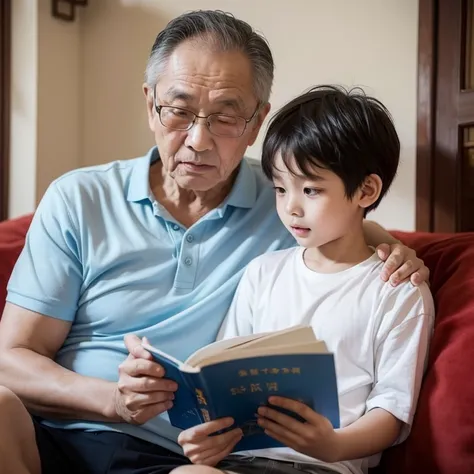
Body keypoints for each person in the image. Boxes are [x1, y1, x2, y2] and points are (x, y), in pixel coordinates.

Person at [0, 10, 429, 474]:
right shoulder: (79, 198)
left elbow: (343, 223)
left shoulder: (282, 200)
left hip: (173, 458)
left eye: (226, 117)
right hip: (53, 434)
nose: (198, 140)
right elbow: (11, 360)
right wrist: (112, 401)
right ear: (150, 105)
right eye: (179, 112)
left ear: (256, 122)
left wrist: (392, 247)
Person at [172, 86, 435, 474]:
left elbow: (392, 409)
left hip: (326, 467)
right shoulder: (263, 273)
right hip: (241, 461)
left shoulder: (395, 290)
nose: (291, 207)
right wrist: (207, 435)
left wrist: (332, 445)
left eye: (310, 190)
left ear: (366, 190)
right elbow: (223, 371)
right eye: (280, 188)